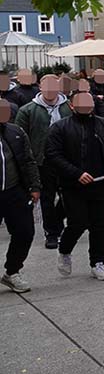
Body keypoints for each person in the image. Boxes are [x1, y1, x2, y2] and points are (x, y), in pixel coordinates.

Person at [46, 92, 104, 282]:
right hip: (73, 185)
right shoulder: (60, 128)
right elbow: (53, 155)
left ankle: (97, 262)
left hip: (100, 182)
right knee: (77, 223)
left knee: (99, 224)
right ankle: (64, 250)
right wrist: (76, 173)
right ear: (71, 106)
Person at [15, 74, 71, 249]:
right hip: (42, 161)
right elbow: (20, 138)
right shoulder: (27, 110)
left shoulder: (69, 107)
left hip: (67, 159)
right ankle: (52, 233)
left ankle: (57, 221)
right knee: (46, 198)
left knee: (68, 195)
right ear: (40, 87)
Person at [0, 100, 40, 293]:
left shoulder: (15, 132)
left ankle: (12, 271)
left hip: (14, 190)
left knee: (25, 232)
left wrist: (34, 186)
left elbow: (28, 159)